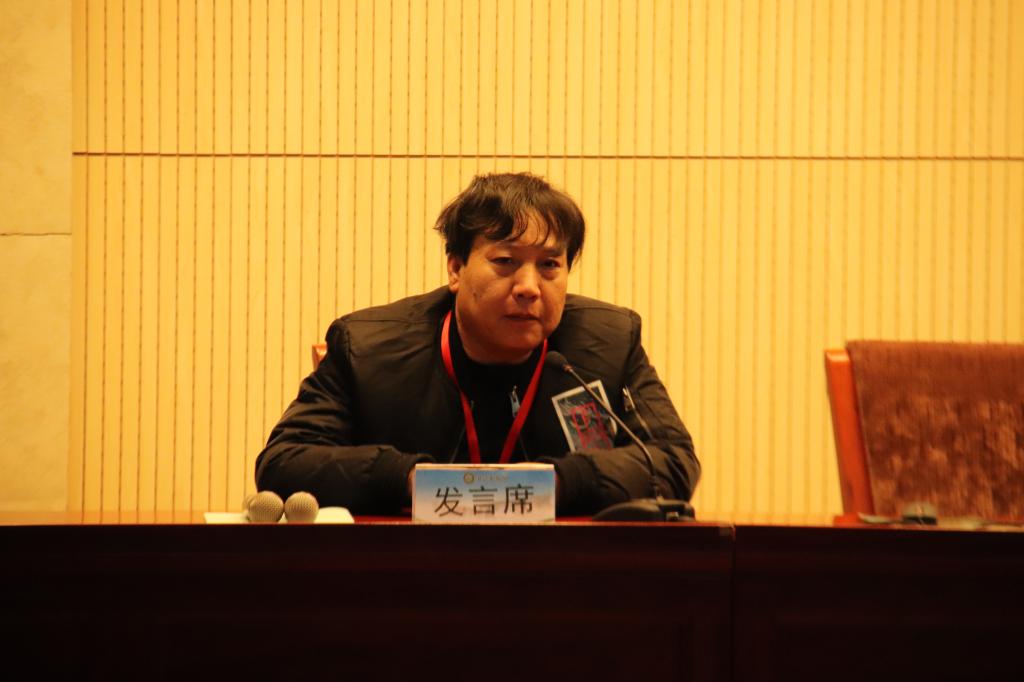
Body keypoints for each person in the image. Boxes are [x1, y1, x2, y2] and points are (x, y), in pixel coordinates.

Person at [255, 172, 699, 515]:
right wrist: (406, 478)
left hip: (564, 577)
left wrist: (561, 482)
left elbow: (673, 461)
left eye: (549, 265)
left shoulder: (608, 343)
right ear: (456, 269)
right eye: (505, 261)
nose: (529, 287)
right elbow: (283, 462)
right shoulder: (368, 348)